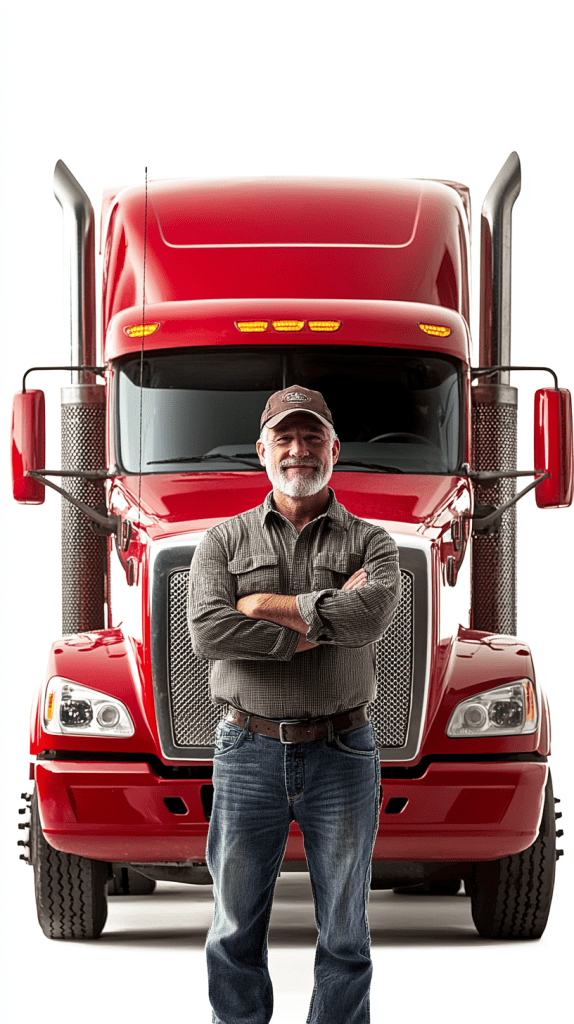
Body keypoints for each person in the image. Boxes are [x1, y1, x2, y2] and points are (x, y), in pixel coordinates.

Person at [188, 385, 400, 1024]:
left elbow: (370, 616)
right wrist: (318, 625)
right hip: (245, 749)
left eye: (312, 438)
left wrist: (264, 607)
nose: (298, 451)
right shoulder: (221, 542)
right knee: (233, 928)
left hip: (344, 750)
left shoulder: (373, 543)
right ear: (261, 451)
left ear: (335, 450)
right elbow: (207, 631)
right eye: (285, 438)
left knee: (345, 932)